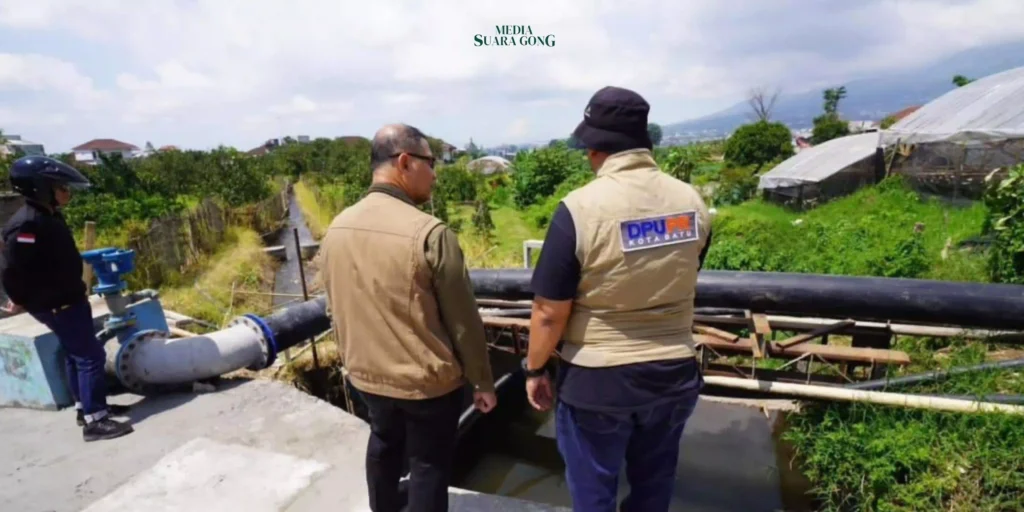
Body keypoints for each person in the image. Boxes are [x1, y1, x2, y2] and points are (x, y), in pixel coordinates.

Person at [522, 86, 713, 512]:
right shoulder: (692, 202)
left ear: (595, 148)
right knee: (654, 486)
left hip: (598, 384)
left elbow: (549, 312)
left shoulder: (578, 209)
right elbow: (686, 272)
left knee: (594, 494)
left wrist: (534, 369)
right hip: (673, 374)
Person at [318, 124, 498, 512]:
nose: (435, 174)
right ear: (404, 161)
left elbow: (335, 303)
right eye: (430, 163)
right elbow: (463, 320)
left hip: (366, 377)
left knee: (383, 442)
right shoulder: (429, 232)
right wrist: (483, 381)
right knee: (428, 463)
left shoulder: (337, 228)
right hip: (426, 385)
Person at [1, 155, 134, 442]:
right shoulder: (27, 225)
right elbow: (13, 269)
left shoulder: (48, 215)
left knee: (77, 354)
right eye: (60, 186)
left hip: (67, 298)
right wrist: (19, 298)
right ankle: (95, 422)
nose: (66, 191)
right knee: (90, 356)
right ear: (39, 188)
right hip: (56, 303)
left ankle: (84, 408)